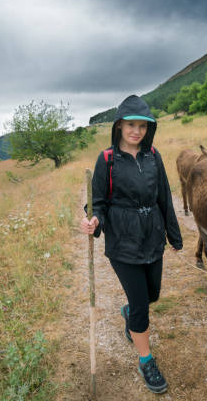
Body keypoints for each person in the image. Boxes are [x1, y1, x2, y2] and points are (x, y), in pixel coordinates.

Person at [80, 94, 182, 394]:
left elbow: (164, 196)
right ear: (119, 126)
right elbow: (97, 203)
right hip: (122, 242)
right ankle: (145, 359)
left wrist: (174, 237)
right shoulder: (107, 160)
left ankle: (129, 312)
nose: (136, 131)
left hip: (152, 236)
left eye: (142, 126)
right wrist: (94, 220)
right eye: (130, 125)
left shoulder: (154, 156)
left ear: (149, 128)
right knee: (141, 306)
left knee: (152, 295)